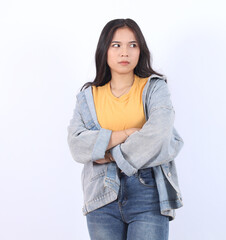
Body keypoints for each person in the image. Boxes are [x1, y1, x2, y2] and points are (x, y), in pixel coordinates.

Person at [67, 18, 184, 240]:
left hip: (148, 191)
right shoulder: (87, 97)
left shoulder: (155, 87)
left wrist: (110, 154)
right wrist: (127, 133)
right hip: (101, 194)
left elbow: (159, 135)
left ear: (141, 50)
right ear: (104, 50)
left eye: (133, 45)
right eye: (116, 45)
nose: (125, 53)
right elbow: (77, 145)